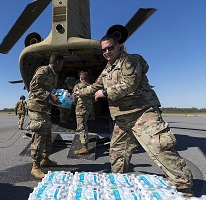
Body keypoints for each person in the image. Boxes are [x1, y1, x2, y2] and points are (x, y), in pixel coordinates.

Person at [73, 33, 193, 197]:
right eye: (104, 50)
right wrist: (79, 93)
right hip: (122, 119)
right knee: (117, 154)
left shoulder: (130, 61)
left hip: (142, 113)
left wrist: (105, 92)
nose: (107, 52)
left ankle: (184, 188)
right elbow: (94, 87)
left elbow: (130, 84)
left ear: (118, 47)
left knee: (160, 148)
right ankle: (118, 185)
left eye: (110, 48)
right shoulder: (107, 70)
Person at [27, 52, 65, 179]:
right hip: (36, 108)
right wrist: (49, 96)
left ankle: (44, 159)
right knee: (39, 135)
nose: (62, 67)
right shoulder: (43, 70)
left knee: (47, 135)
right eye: (62, 64)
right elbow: (33, 87)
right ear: (57, 62)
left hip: (45, 109)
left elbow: (51, 91)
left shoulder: (54, 75)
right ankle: (35, 167)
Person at [72, 71, 94, 155]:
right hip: (88, 107)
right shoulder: (90, 86)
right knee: (84, 123)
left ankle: (85, 147)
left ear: (80, 78)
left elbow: (74, 98)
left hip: (80, 107)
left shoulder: (77, 86)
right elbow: (94, 98)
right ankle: (85, 139)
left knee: (81, 126)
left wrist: (74, 104)